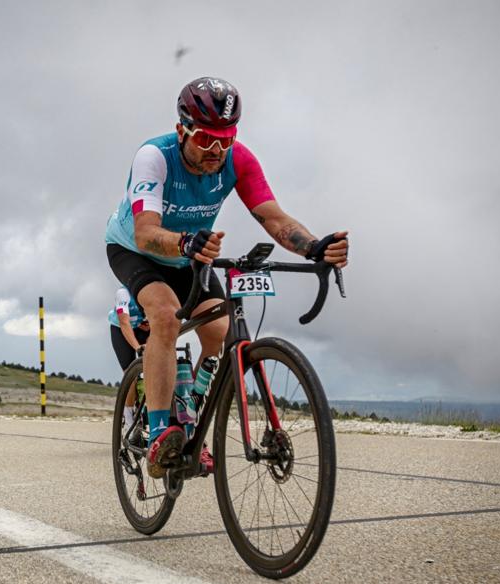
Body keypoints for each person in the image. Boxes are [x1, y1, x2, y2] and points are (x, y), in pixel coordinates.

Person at [104, 76, 349, 478]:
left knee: (221, 332)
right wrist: (184, 244)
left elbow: (273, 217)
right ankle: (161, 434)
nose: (217, 150)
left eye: (226, 138)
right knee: (166, 316)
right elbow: (146, 231)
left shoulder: (239, 159)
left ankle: (190, 413)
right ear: (182, 129)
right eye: (205, 139)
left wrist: (313, 247)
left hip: (191, 253)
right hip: (136, 249)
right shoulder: (154, 156)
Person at [109, 286, 149, 442]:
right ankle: (128, 419)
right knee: (130, 373)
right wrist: (138, 348)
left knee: (156, 367)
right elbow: (124, 322)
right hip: (121, 329)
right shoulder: (123, 293)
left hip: (142, 328)